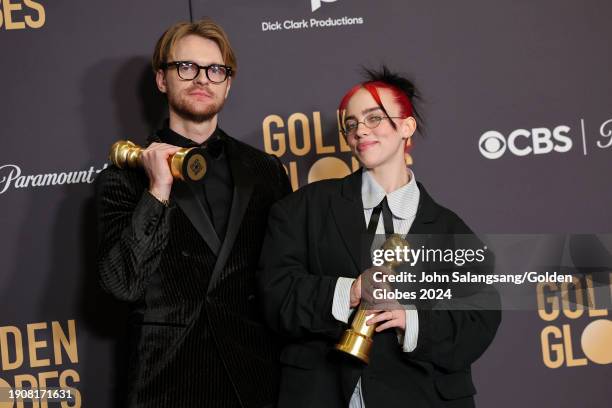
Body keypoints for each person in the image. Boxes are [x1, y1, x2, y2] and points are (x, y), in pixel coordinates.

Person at [257, 66, 501, 407]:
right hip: (323, 392)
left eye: (374, 118)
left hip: (423, 396)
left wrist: (410, 321)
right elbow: (276, 296)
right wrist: (350, 291)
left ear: (406, 126)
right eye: (352, 124)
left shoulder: (451, 230)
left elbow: (478, 320)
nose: (360, 131)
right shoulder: (301, 210)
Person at [96, 18, 291, 408]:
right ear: (161, 79)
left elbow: (285, 276)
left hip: (256, 382)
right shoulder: (122, 179)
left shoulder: (267, 170)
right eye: (186, 67)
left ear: (228, 83)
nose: (202, 78)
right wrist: (157, 190)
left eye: (215, 69)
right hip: (166, 383)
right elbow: (122, 285)